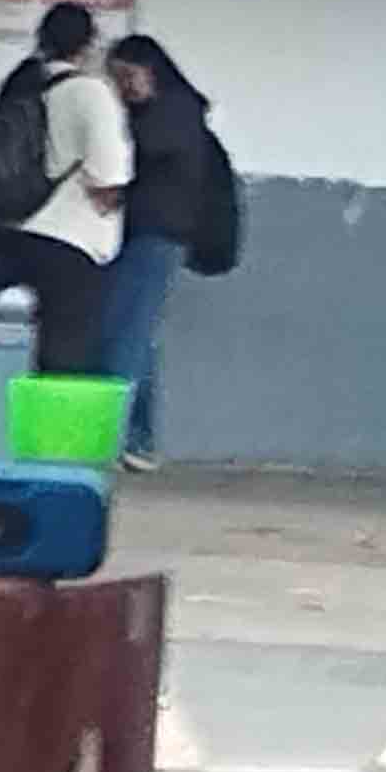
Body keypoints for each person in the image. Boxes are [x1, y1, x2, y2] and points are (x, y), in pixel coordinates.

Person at [100, 33, 232, 467]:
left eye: (128, 77)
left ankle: (113, 434)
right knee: (137, 336)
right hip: (150, 235)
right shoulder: (179, 112)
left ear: (151, 71)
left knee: (126, 335)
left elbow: (143, 152)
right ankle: (138, 438)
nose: (124, 88)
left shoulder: (171, 115)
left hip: (155, 235)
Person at [0, 3, 132, 376]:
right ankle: (48, 436)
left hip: (11, 232)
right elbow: (108, 174)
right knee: (64, 360)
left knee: (6, 349)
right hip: (69, 241)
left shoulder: (20, 84)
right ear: (89, 44)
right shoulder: (91, 93)